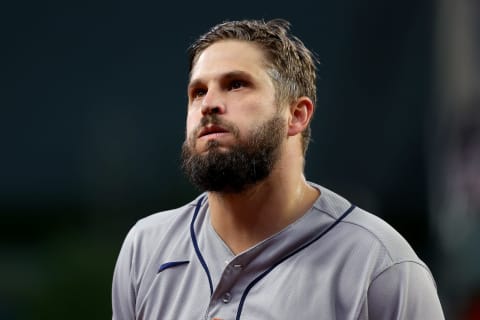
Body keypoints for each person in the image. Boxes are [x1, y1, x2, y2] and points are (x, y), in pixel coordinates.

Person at [112, 19, 445, 319]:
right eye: (198, 91)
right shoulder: (147, 247)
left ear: (297, 115)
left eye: (236, 84)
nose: (209, 104)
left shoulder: (380, 265)